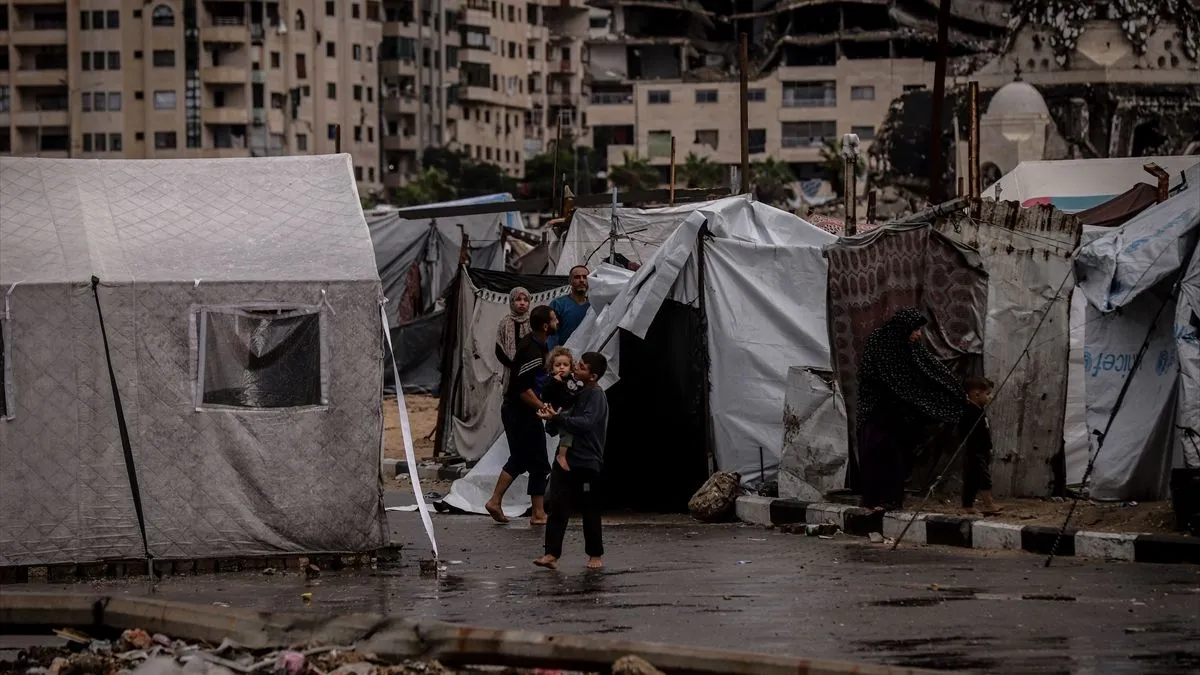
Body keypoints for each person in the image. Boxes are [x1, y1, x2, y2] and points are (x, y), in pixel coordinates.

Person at [856, 306, 965, 511]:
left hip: (899, 416)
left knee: (899, 459)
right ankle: (875, 501)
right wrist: (922, 401)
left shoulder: (910, 347)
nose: (918, 334)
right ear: (904, 328)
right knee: (879, 457)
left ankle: (891, 501)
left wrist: (955, 391)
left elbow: (931, 369)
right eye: (916, 330)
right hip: (877, 413)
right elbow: (894, 383)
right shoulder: (881, 344)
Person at [534, 351, 610, 571]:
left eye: (582, 367)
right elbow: (561, 419)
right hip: (566, 457)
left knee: (590, 508)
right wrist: (552, 417)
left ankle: (595, 555)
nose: (576, 368)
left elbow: (585, 423)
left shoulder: (596, 395)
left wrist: (557, 418)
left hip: (587, 459)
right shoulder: (574, 391)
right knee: (557, 506)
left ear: (593, 376)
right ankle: (551, 554)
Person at [485, 305, 559, 525]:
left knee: (535, 462)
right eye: (554, 320)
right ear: (545, 326)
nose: (557, 323)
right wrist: (541, 408)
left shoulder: (537, 344)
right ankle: (497, 501)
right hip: (520, 413)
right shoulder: (532, 352)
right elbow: (523, 388)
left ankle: (536, 513)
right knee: (527, 460)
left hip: (523, 413)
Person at [960, 376, 1003, 515]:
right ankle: (988, 504)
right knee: (983, 478)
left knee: (972, 479)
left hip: (982, 450)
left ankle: (968, 505)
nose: (989, 397)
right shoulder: (969, 412)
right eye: (987, 394)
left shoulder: (979, 410)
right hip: (975, 451)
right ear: (976, 394)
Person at [541, 346, 582, 451]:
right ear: (552, 368)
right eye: (557, 365)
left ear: (571, 367)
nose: (561, 367)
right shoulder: (550, 380)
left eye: (565, 365)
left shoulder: (572, 379)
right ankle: (562, 455)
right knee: (566, 434)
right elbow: (544, 395)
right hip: (559, 412)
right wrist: (555, 382)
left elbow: (575, 391)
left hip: (571, 411)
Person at [547, 265, 590, 349]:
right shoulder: (558, 304)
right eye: (577, 277)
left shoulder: (593, 306)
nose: (582, 280)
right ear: (570, 281)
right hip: (563, 356)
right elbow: (551, 333)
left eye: (585, 277)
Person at [494, 287, 532, 369]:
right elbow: (499, 348)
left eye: (526, 300)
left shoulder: (532, 322)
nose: (522, 303)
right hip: (510, 368)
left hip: (529, 368)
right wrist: (511, 365)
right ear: (512, 302)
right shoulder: (505, 323)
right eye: (518, 299)